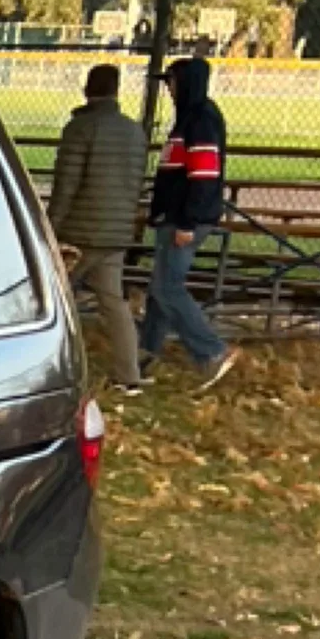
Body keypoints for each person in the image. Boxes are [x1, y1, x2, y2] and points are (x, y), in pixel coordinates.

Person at [42, 59, 144, 393]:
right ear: (116, 90)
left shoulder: (80, 129)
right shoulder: (134, 132)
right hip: (115, 233)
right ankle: (129, 375)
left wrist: (50, 227)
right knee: (114, 302)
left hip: (79, 232)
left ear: (87, 89)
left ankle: (52, 367)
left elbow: (66, 184)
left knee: (54, 298)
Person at [143, 50, 235, 388]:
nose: (168, 89)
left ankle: (211, 351)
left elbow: (204, 175)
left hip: (186, 219)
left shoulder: (200, 120)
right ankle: (145, 353)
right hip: (175, 215)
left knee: (168, 288)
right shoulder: (189, 118)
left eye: (171, 82)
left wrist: (187, 221)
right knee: (159, 289)